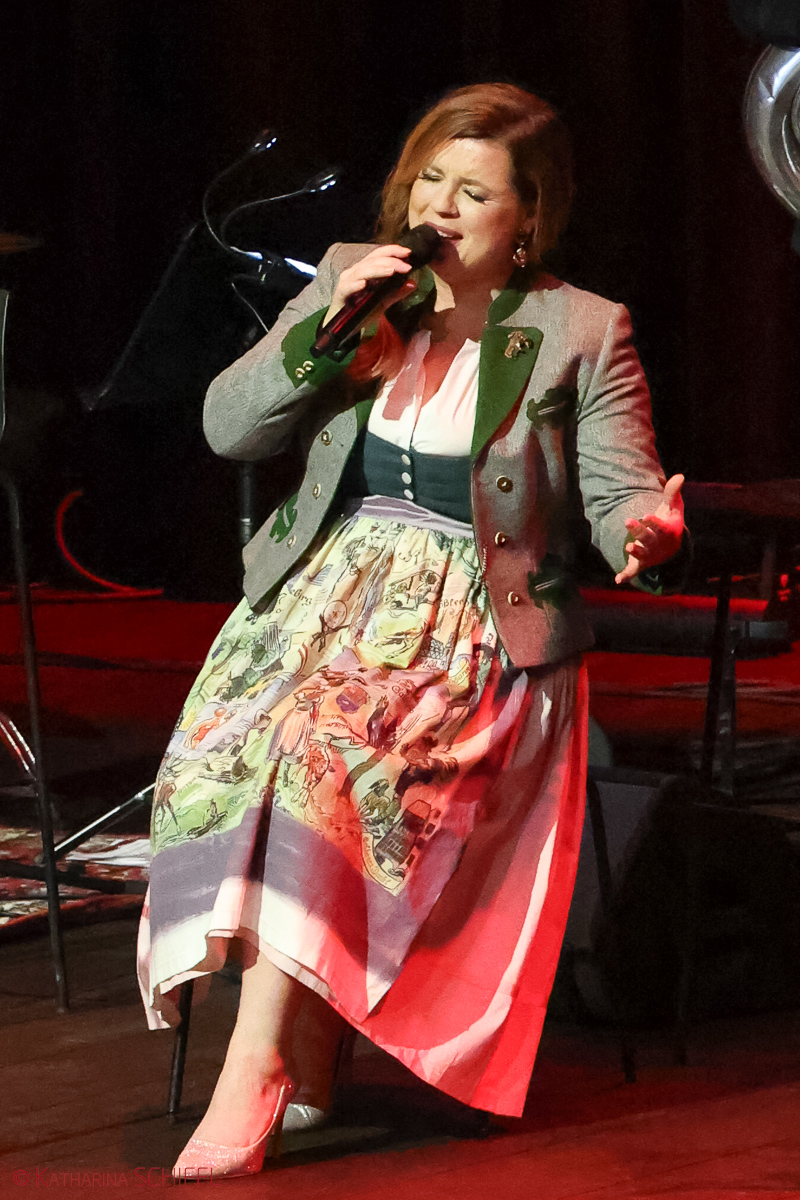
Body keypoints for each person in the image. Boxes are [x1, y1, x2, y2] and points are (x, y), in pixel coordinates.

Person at [137, 82, 684, 1179]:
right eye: (429, 179)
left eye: (472, 192)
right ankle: (306, 1047)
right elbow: (227, 429)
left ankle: (257, 1068)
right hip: (323, 595)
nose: (440, 205)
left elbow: (622, 491)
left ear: (526, 216)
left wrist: (645, 530)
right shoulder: (356, 279)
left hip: (474, 627)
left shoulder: (579, 327)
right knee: (221, 753)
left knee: (320, 754)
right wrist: (325, 331)